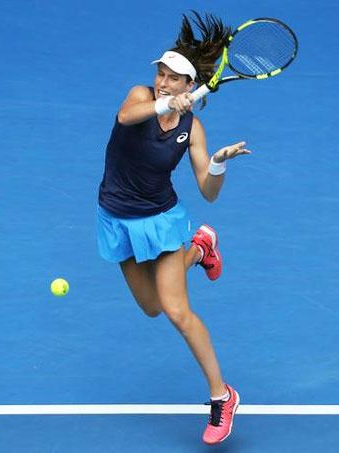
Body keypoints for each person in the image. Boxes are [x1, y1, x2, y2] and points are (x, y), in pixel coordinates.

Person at [96, 11, 250, 445]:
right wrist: (163, 103)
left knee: (177, 311)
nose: (163, 81)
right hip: (118, 219)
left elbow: (208, 190)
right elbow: (129, 117)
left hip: (161, 221)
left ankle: (223, 396)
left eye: (173, 78)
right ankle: (202, 249)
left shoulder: (193, 127)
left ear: (190, 85)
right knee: (151, 306)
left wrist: (218, 162)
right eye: (161, 74)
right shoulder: (139, 96)